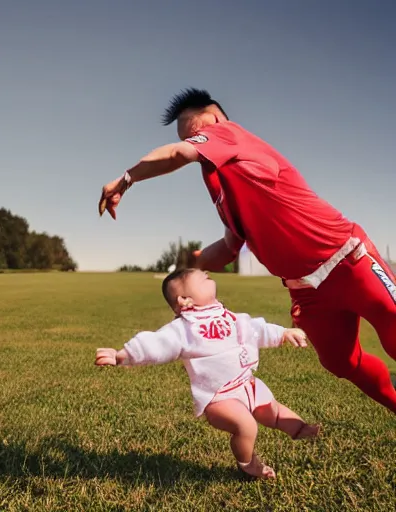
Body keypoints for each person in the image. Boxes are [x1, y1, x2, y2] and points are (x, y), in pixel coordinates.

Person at [98, 88, 396, 414]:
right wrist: (188, 274)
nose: (193, 142)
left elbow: (178, 154)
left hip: (346, 257)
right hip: (304, 288)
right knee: (341, 362)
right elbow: (230, 245)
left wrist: (126, 179)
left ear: (213, 118)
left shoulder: (227, 132)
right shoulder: (218, 179)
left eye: (194, 133)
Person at [95, 268, 320, 479]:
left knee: (272, 410)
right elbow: (155, 344)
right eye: (200, 276)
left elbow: (254, 329)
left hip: (246, 383)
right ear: (185, 300)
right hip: (219, 396)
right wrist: (121, 355)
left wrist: (283, 333)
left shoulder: (229, 316)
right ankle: (248, 463)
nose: (206, 272)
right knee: (246, 425)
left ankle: (298, 428)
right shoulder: (184, 329)